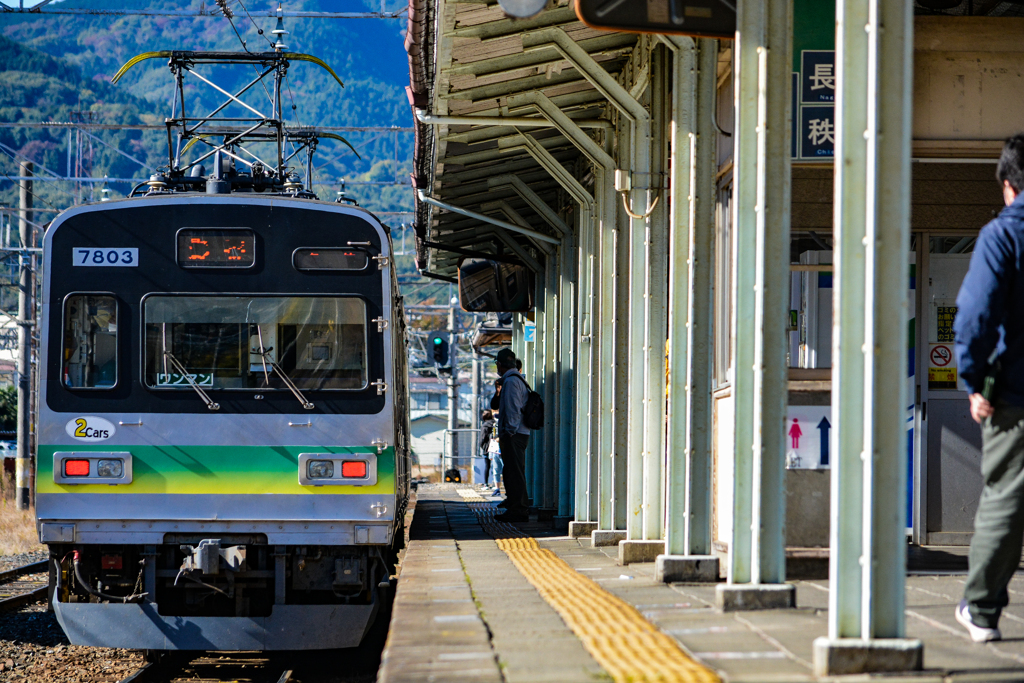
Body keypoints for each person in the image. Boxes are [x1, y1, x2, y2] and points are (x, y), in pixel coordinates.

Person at [953, 133, 1024, 643]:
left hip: (1016, 394)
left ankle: (981, 611)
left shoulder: (1003, 236)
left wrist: (974, 381)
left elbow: (976, 315)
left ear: (1007, 185)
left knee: (1005, 498)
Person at [493, 348, 530, 522]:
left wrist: (509, 431)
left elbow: (513, 408)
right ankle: (516, 507)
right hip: (517, 433)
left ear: (499, 364)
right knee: (513, 471)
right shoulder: (516, 379)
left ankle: (518, 510)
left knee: (514, 473)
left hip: (514, 435)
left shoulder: (511, 382)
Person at [481, 410, 503, 497]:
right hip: (495, 448)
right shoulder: (494, 424)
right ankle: (497, 488)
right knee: (496, 470)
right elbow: (492, 436)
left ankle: (502, 489)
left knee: (503, 469)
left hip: (501, 447)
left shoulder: (502, 420)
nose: (495, 414)